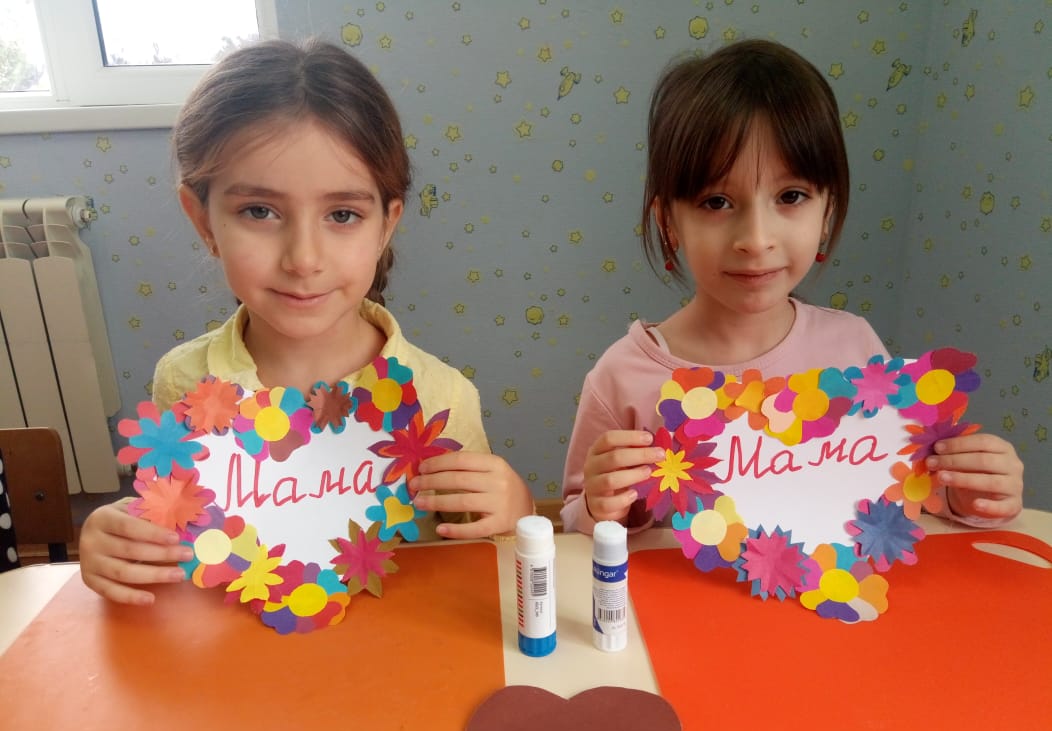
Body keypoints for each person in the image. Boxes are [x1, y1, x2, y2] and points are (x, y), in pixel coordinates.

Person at [80, 38, 534, 605]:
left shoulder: (440, 399)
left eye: (342, 214)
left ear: (386, 225)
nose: (303, 258)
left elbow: (484, 558)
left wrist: (516, 513)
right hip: (240, 647)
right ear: (203, 221)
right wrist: (121, 539)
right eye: (260, 211)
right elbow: (180, 535)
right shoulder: (185, 380)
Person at [561, 39, 1024, 535]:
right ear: (668, 223)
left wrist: (965, 491)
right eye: (716, 202)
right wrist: (599, 506)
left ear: (827, 211)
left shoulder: (855, 351)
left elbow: (905, 493)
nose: (756, 239)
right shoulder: (622, 379)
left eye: (791, 196)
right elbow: (574, 522)